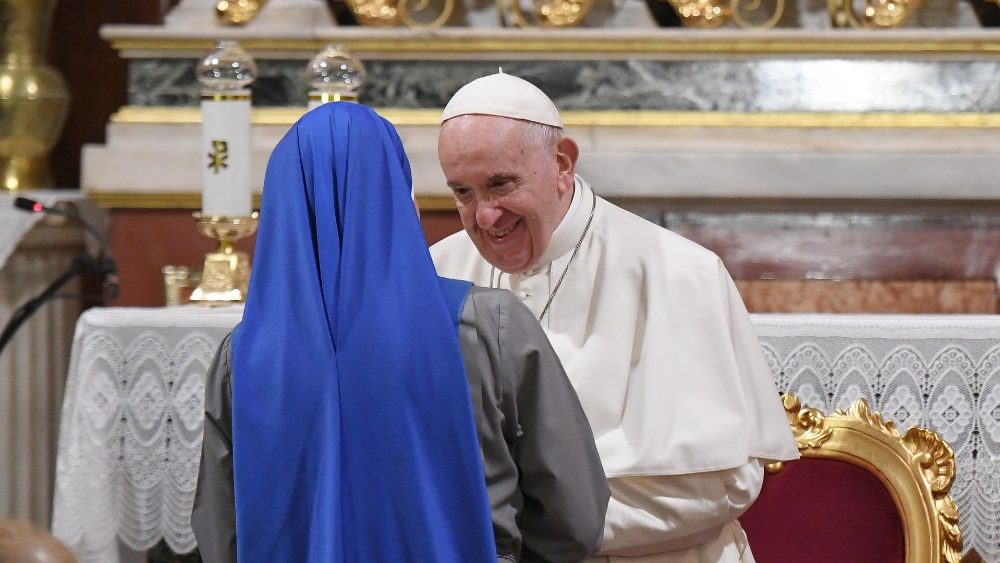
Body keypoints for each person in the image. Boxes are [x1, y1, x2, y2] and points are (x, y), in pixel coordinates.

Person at [190, 102, 608, 563]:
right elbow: (574, 515)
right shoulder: (487, 325)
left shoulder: (243, 357)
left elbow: (220, 533)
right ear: (396, 192)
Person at [431, 72, 801, 563]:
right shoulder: (439, 271)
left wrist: (536, 522)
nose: (484, 217)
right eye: (463, 193)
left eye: (500, 185)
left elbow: (723, 481)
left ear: (562, 163)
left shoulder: (677, 273)